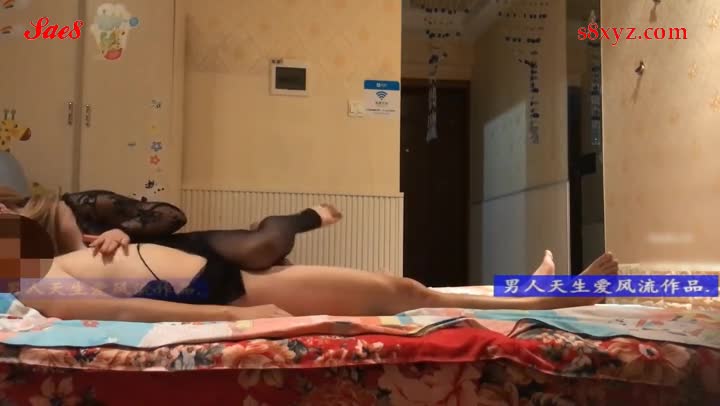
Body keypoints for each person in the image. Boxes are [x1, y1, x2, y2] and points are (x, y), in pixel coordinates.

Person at [9, 214, 620, 322]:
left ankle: (535, 292)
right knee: (404, 292)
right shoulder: (35, 287)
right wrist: (235, 319)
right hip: (230, 291)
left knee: (404, 289)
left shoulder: (49, 258)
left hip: (218, 266)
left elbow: (113, 258)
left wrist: (120, 234)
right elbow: (123, 307)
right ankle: (545, 300)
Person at [0, 190, 341, 270]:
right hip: (157, 282)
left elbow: (172, 215)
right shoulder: (17, 253)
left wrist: (123, 232)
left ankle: (306, 217)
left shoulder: (78, 204)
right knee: (269, 265)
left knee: (263, 247)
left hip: (180, 249)